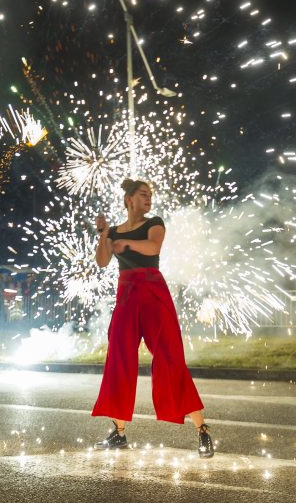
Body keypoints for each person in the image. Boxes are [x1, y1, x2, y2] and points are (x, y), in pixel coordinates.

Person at [91, 179, 214, 458]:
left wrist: (121, 242)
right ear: (129, 199)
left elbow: (152, 248)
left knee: (171, 359)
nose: (148, 199)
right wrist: (103, 234)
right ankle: (118, 433)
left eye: (150, 195)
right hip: (126, 295)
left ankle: (202, 430)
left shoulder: (154, 222)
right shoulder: (114, 231)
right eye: (143, 195)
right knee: (118, 360)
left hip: (153, 293)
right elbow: (102, 261)